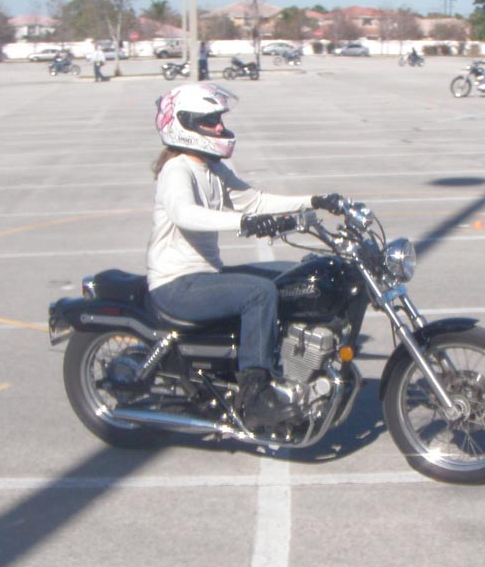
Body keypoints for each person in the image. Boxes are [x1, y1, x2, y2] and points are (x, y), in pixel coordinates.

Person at [146, 82, 345, 427]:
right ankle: (255, 396)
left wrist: (314, 201)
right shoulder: (177, 169)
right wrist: (244, 222)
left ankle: (296, 369)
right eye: (210, 121)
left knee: (290, 275)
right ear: (185, 125)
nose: (219, 127)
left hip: (205, 276)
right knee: (259, 293)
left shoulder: (212, 168)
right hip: (175, 284)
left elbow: (255, 201)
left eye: (219, 119)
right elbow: (184, 214)